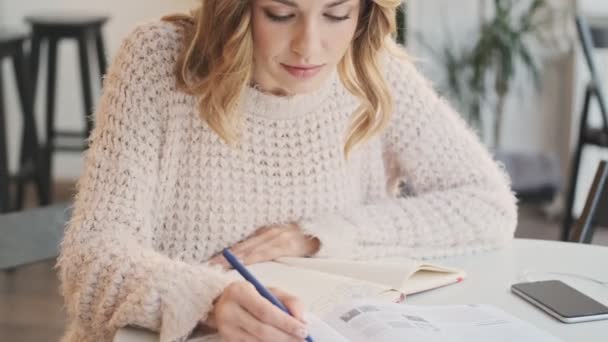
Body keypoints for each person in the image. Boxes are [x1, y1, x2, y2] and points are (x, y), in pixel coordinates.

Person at [57, 0, 517, 341]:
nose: (309, 47)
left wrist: (319, 234)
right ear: (236, 10)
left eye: (336, 14)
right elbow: (93, 256)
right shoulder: (159, 61)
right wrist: (207, 300)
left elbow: (488, 204)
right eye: (280, 13)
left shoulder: (368, 65)